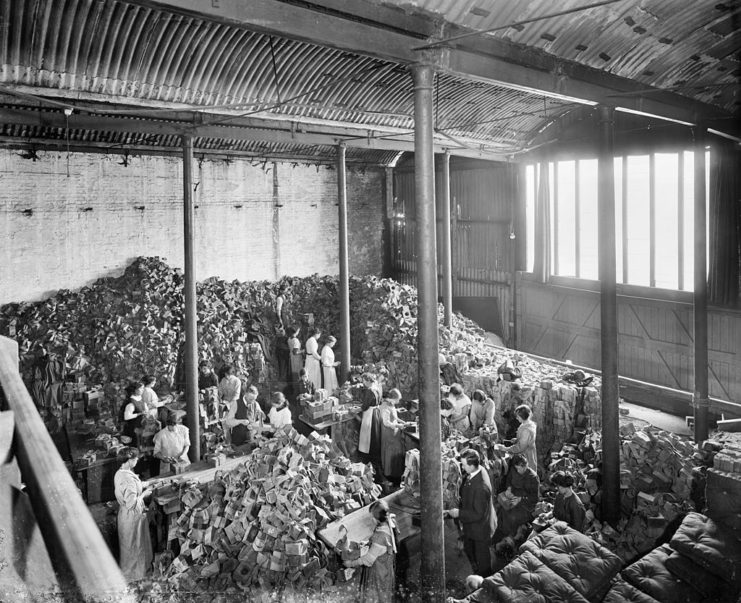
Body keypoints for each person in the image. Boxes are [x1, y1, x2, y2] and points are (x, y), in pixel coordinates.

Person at [446, 450, 493, 576]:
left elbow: (478, 514)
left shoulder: (481, 487)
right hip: (471, 526)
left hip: (479, 529)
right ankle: (476, 568)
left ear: (472, 465)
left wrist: (459, 513)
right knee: (470, 548)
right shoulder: (478, 470)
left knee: (482, 557)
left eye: (464, 465)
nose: (462, 467)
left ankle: (485, 581)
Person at [343, 499, 397, 603]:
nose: (370, 519)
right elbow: (379, 547)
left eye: (371, 516)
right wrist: (368, 544)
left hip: (378, 573)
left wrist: (351, 563)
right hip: (385, 569)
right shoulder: (387, 525)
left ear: (376, 518)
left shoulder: (380, 537)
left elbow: (368, 560)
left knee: (374, 597)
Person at [114, 447, 153, 581]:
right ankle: (136, 577)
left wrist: (149, 483)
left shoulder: (121, 472)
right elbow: (132, 503)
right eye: (135, 459)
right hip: (132, 515)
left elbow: (133, 486)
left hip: (125, 515)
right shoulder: (127, 479)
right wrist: (144, 494)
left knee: (129, 546)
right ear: (129, 460)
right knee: (136, 546)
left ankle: (132, 574)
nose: (137, 461)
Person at [496, 453, 539, 540]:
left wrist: (520, 499)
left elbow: (535, 498)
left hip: (525, 504)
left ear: (525, 466)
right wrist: (508, 488)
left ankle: (512, 537)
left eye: (519, 469)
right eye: (516, 469)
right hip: (512, 497)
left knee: (512, 517)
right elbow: (508, 480)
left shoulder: (533, 477)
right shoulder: (514, 470)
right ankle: (502, 533)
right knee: (501, 510)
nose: (518, 471)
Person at [379, 389, 411, 485]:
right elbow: (386, 422)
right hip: (388, 434)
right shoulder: (384, 407)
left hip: (394, 433)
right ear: (392, 398)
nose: (398, 402)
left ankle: (396, 473)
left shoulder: (391, 405)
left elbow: (395, 418)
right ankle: (389, 475)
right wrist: (398, 426)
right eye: (397, 399)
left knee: (396, 453)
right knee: (389, 454)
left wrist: (403, 422)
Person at [357, 373, 382, 477]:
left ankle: (365, 456)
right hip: (376, 412)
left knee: (367, 435)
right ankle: (373, 454)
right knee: (374, 434)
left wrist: (356, 409)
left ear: (367, 381)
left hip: (369, 414)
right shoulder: (376, 388)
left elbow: (365, 406)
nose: (363, 383)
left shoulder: (369, 391)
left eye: (363, 381)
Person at [506, 404, 538, 472]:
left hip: (526, 455)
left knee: (526, 472)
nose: (516, 418)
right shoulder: (526, 424)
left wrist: (506, 449)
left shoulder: (527, 430)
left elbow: (520, 447)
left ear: (523, 416)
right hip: (528, 451)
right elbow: (525, 440)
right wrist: (517, 440)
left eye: (518, 416)